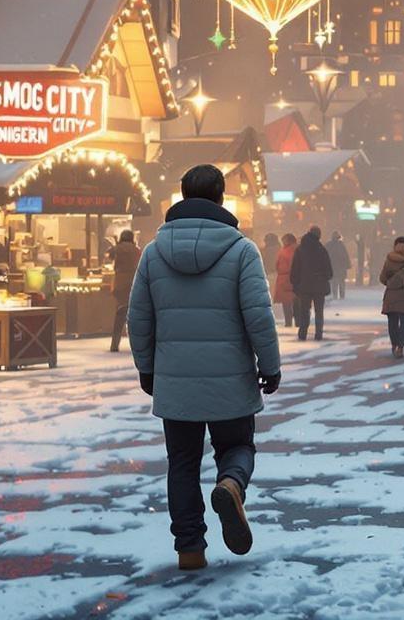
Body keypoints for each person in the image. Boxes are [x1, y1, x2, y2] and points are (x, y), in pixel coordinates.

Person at [128, 164, 279, 571]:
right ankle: (231, 483)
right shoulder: (241, 250)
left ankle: (190, 549)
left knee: (182, 463)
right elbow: (259, 317)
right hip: (231, 379)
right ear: (220, 198)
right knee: (238, 447)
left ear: (181, 195)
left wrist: (147, 368)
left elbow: (138, 317)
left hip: (175, 382)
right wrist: (270, 365)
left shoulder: (153, 252)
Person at [377, 237, 404, 358]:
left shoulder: (389, 260)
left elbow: (382, 278)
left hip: (391, 296)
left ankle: (394, 344)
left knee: (392, 322)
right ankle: (400, 347)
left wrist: (391, 283)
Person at [290, 227, 333, 342]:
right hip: (319, 286)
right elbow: (329, 270)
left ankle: (302, 333)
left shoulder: (300, 249)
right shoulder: (321, 250)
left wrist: (295, 283)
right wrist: (325, 277)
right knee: (319, 311)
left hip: (304, 286)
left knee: (304, 310)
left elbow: (295, 268)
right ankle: (318, 334)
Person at [109, 230, 142, 353]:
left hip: (119, 284)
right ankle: (138, 344)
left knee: (119, 315)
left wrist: (116, 243)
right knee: (135, 316)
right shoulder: (136, 250)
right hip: (134, 284)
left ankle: (114, 344)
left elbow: (109, 255)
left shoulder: (117, 248)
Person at [274, 233, 299, 334]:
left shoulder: (283, 251)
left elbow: (277, 264)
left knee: (286, 302)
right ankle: (298, 321)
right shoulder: (297, 250)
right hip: (295, 278)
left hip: (284, 278)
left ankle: (288, 322)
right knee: (296, 300)